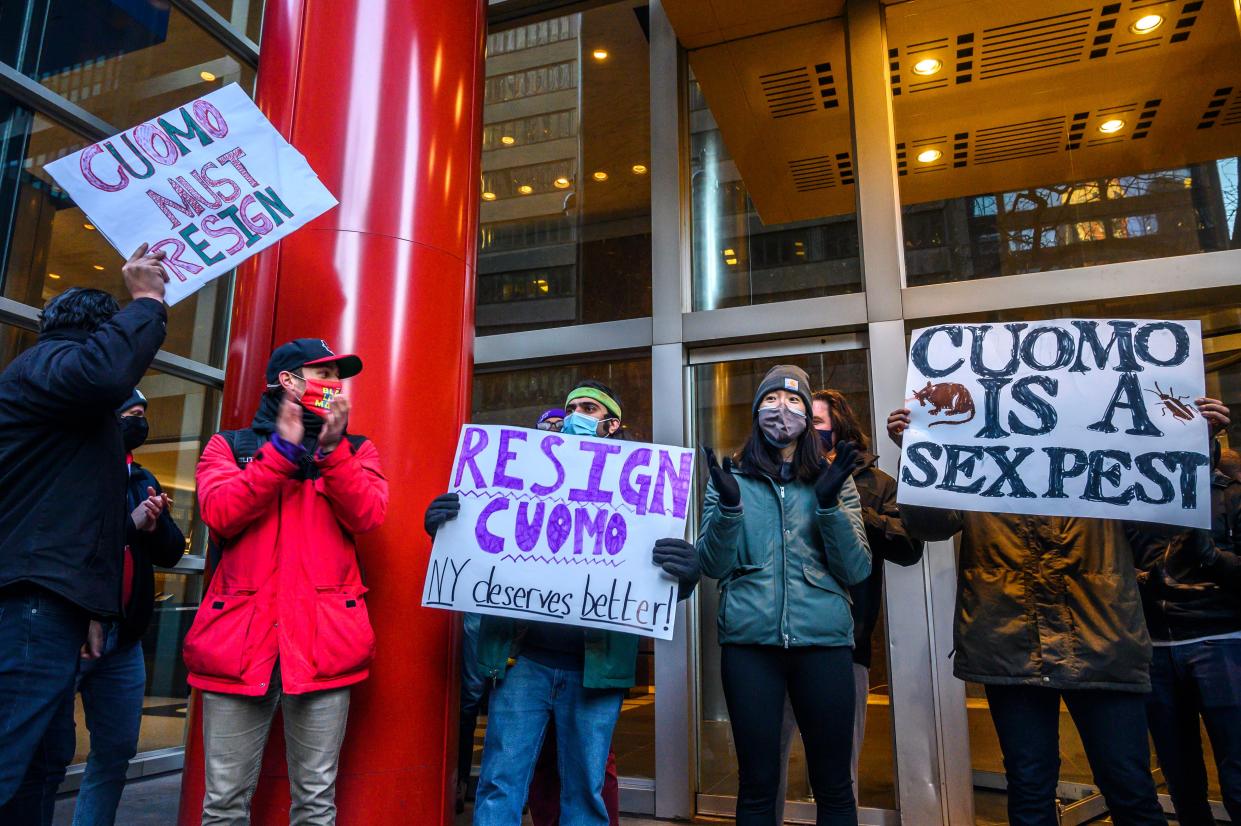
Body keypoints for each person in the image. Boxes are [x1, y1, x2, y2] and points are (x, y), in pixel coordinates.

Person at [885, 399, 1229, 826]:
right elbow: (929, 525)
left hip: (1101, 643)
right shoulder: (978, 456)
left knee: (1130, 789)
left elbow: (1168, 519)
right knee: (1030, 791)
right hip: (1011, 645)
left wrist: (1194, 444)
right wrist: (917, 453)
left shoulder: (1106, 452)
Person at [424, 379, 700, 826]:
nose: (575, 416)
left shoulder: (643, 496)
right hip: (522, 662)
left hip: (596, 670)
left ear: (612, 425)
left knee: (585, 791)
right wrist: (448, 535)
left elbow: (654, 578)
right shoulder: (528, 480)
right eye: (571, 407)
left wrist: (686, 576)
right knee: (499, 782)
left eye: (589, 409)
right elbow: (487, 549)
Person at [183, 339, 389, 826]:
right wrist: (280, 452)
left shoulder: (356, 450)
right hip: (238, 646)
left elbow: (368, 514)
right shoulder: (229, 447)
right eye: (324, 374)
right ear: (289, 382)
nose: (335, 385)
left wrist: (333, 451)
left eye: (339, 376)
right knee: (224, 803)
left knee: (316, 803)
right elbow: (220, 513)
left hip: (322, 647)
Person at [0, 244, 169, 824]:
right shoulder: (46, 365)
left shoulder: (72, 420)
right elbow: (103, 371)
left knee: (40, 766)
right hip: (30, 602)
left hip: (55, 605)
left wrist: (92, 608)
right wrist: (145, 301)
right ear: (94, 334)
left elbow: (86, 518)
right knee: (9, 759)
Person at [698, 365, 871, 826]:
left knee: (834, 784)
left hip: (824, 644)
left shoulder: (834, 479)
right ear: (756, 412)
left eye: (795, 401)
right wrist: (729, 508)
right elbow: (712, 564)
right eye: (772, 400)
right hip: (750, 645)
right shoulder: (730, 475)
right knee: (757, 783)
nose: (783, 410)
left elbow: (856, 567)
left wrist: (830, 505)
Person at [776, 389, 923, 815]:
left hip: (845, 645)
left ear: (838, 431)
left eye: (817, 423)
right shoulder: (778, 476)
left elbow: (908, 547)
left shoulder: (874, 484)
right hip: (776, 640)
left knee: (839, 775)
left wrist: (845, 502)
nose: (807, 430)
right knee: (768, 767)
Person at [47, 389, 187, 826]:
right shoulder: (70, 469)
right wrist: (131, 525)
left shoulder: (143, 478)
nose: (138, 421)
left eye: (143, 414)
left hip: (122, 641)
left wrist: (157, 519)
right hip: (67, 632)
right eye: (129, 413)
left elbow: (170, 553)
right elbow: (70, 545)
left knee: (116, 750)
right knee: (46, 752)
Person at [1130, 407, 1241, 825]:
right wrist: (1146, 581)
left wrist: (1212, 560)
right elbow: (1121, 565)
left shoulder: (1231, 493)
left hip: (1222, 641)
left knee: (1237, 772)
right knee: (1180, 777)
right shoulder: (1133, 497)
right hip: (1155, 647)